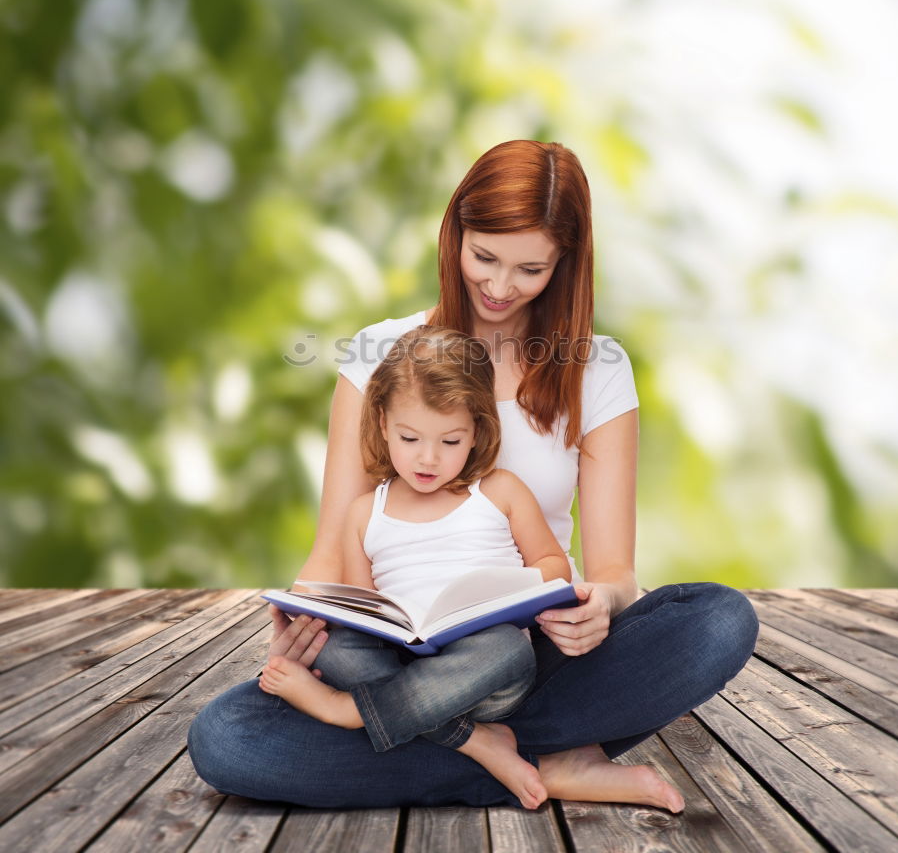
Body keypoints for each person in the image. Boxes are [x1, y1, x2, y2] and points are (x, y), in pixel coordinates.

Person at [188, 139, 758, 811]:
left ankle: (444, 744)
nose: (497, 286)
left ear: (565, 265)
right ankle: (534, 756)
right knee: (224, 736)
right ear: (454, 232)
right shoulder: (378, 354)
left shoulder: (597, 368)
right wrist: (302, 624)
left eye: (529, 269)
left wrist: (597, 609)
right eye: (484, 256)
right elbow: (333, 557)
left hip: (530, 649)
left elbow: (615, 575)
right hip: (392, 653)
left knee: (719, 620)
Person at [260, 324, 572, 809]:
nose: (428, 459)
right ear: (383, 424)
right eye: (410, 438)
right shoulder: (365, 512)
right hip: (402, 667)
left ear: (477, 433)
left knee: (509, 648)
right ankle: (473, 740)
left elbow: (554, 565)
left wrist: (512, 590)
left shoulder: (500, 491)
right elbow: (363, 612)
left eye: (450, 442)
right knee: (335, 646)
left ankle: (346, 712)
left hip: (484, 673)